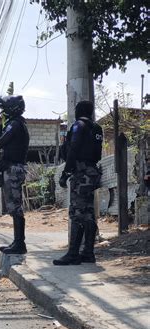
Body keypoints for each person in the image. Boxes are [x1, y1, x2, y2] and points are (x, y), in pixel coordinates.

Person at [54, 101, 103, 265]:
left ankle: (73, 254)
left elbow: (73, 149)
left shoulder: (78, 126)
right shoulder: (97, 128)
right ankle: (88, 253)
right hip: (93, 172)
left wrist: (65, 173)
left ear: (78, 111)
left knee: (76, 214)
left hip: (81, 173)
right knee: (88, 213)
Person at [0, 95, 30, 254]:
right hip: (14, 168)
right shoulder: (18, 124)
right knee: (14, 206)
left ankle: (20, 244)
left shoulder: (15, 125)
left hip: (14, 169)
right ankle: (17, 241)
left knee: (15, 207)